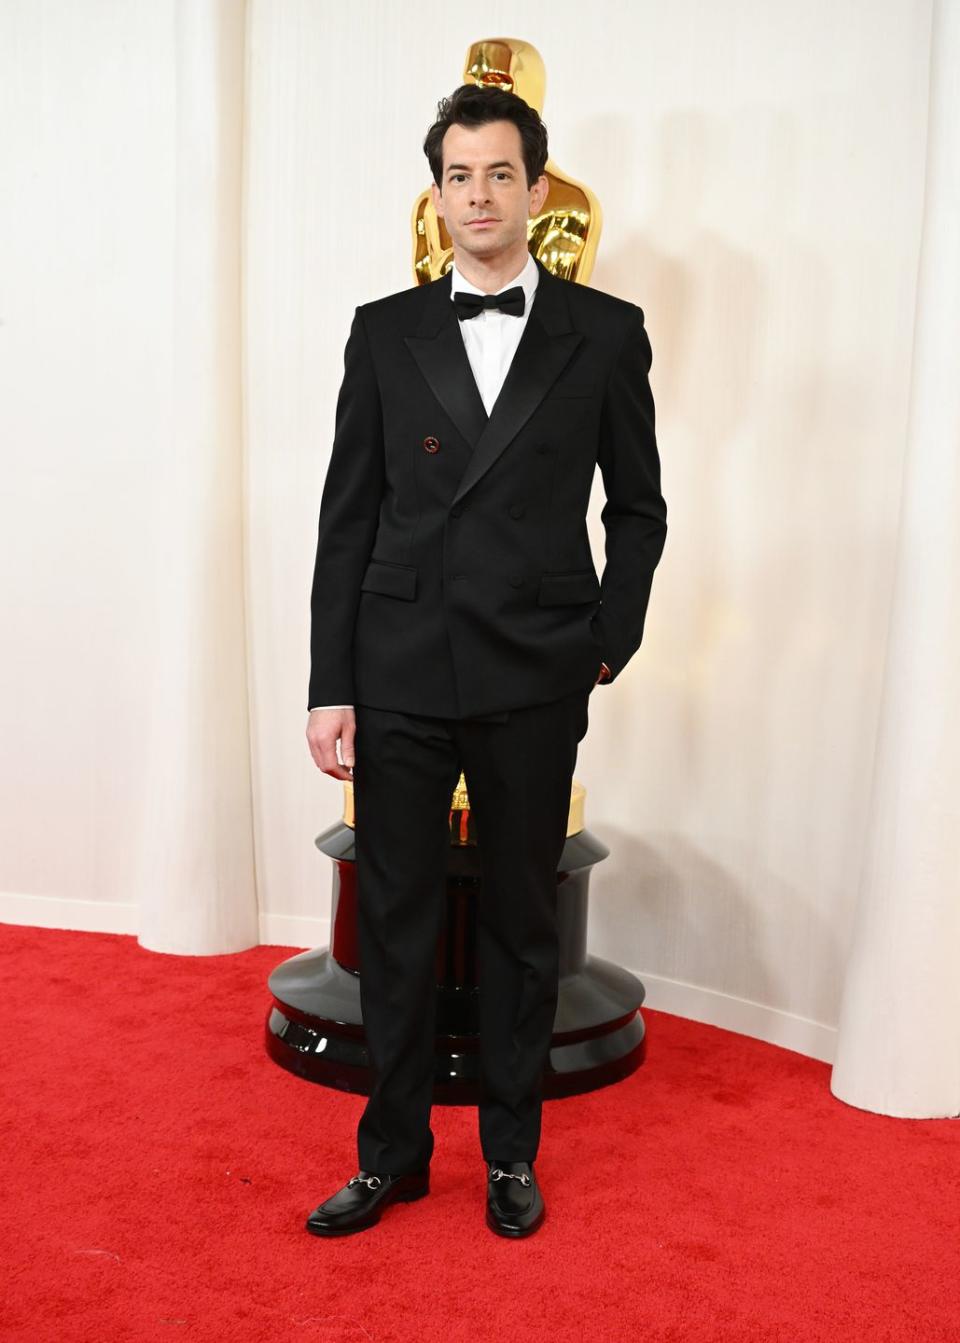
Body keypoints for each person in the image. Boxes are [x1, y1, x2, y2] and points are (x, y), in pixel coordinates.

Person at [303, 83, 667, 1238]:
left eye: (499, 174)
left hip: (533, 671)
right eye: (458, 176)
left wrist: (607, 637)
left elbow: (641, 509)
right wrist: (330, 681)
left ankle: (511, 1152)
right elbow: (346, 517)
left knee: (519, 924)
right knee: (400, 923)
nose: (478, 196)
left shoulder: (605, 331)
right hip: (401, 663)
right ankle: (392, 1155)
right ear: (438, 193)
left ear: (536, 189)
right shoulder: (382, 328)